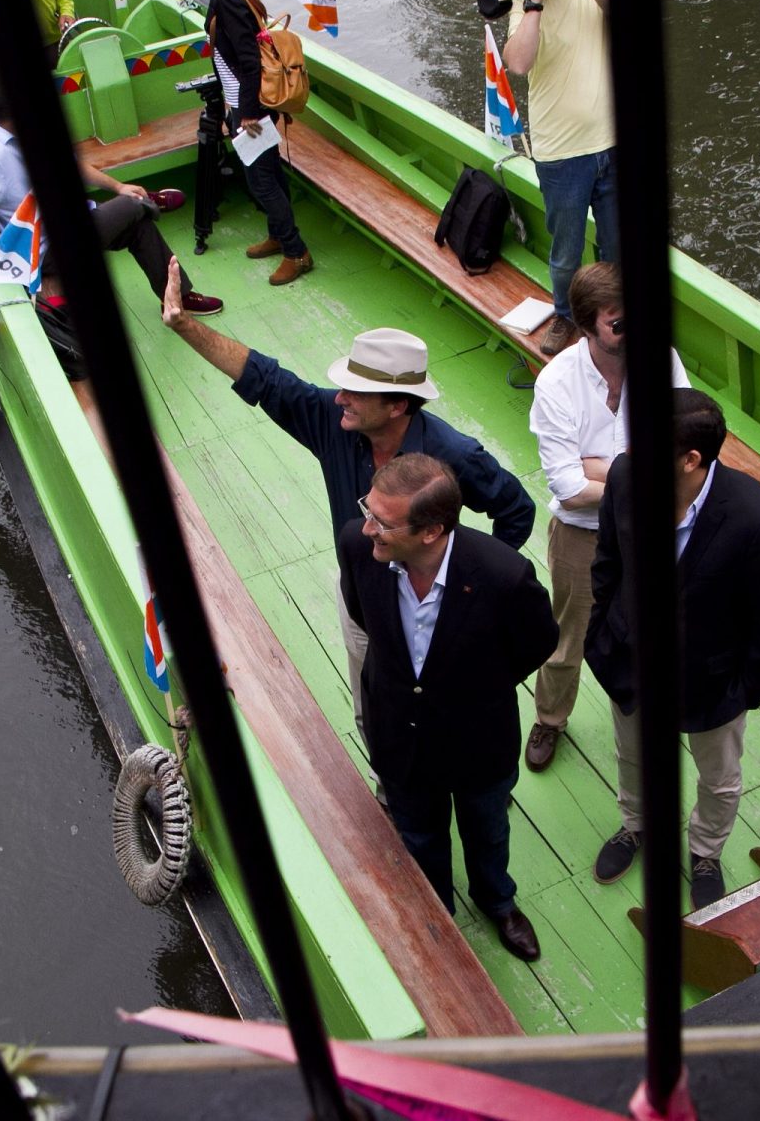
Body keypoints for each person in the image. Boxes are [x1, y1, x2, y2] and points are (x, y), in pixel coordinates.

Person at [161, 262, 534, 719]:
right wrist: (183, 324)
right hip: (362, 592)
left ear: (398, 405)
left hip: (431, 603)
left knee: (439, 706)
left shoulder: (454, 455)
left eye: (355, 393)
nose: (339, 399)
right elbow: (264, 378)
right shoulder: (336, 424)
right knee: (370, 704)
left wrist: (469, 583)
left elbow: (516, 509)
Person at [585, 389, 760, 909]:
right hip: (630, 661)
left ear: (691, 460)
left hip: (710, 683)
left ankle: (704, 849)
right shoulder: (624, 477)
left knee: (718, 778)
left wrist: (744, 692)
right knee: (631, 754)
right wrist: (603, 631)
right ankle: (636, 824)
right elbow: (608, 562)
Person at [336, 454, 557, 960]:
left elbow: (537, 643)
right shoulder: (357, 543)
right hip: (399, 735)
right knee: (417, 832)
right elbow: (361, 612)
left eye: (382, 522)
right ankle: (438, 913)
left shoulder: (504, 576)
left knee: (487, 829)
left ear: (432, 530)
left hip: (478, 740)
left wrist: (475, 687)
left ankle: (496, 900)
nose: (367, 527)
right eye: (367, 511)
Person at [523, 261, 690, 771]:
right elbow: (570, 491)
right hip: (582, 537)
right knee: (567, 639)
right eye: (619, 323)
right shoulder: (556, 384)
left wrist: (605, 468)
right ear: (588, 324)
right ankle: (549, 720)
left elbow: (685, 450)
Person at [0, 70, 222, 379]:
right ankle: (148, 200)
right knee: (134, 209)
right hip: (48, 250)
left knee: (138, 226)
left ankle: (176, 296)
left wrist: (117, 186)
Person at [502, 0, 615, 359]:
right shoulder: (528, 0)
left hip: (613, 146)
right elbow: (518, 62)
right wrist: (533, 1)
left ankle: (615, 322)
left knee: (615, 249)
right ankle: (567, 317)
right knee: (566, 252)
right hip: (561, 154)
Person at [184, 0, 312, 286]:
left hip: (250, 108)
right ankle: (278, 235)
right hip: (244, 103)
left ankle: (296, 252)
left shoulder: (226, 0)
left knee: (261, 181)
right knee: (268, 172)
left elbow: (249, 63)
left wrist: (249, 114)